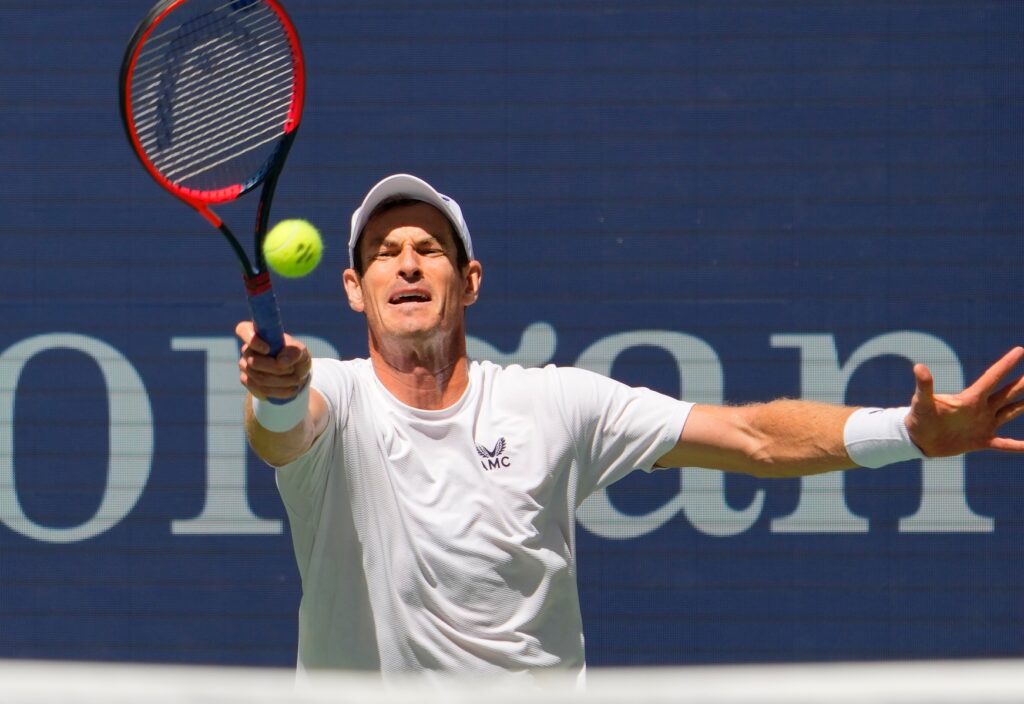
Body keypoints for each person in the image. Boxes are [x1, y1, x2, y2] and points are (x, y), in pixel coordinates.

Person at [235, 173, 1024, 682]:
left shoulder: (554, 403)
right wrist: (275, 390)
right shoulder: (330, 397)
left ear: (468, 280)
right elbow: (284, 429)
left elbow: (754, 437)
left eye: (429, 249)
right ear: (352, 287)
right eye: (383, 253)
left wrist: (906, 432)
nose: (406, 264)